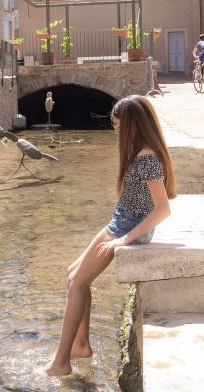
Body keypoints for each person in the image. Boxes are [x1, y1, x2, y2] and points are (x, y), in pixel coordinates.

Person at [43, 95, 176, 377]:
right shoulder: (141, 150)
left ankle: (61, 363)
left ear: (132, 125)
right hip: (120, 222)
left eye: (117, 126)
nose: (115, 130)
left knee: (77, 283)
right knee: (73, 275)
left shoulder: (146, 158)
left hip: (126, 229)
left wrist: (123, 240)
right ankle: (81, 345)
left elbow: (163, 210)